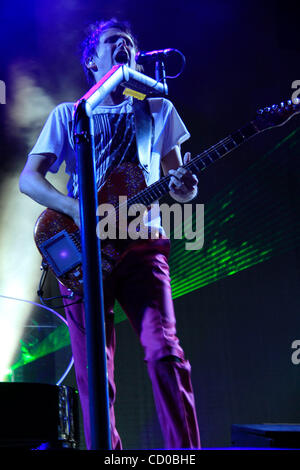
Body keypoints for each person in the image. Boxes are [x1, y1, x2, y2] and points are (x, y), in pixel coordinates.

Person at [19, 18, 200, 450]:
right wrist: (74, 210)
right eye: (114, 42)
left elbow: (182, 184)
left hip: (143, 244)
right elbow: (30, 179)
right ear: (92, 59)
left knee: (164, 352)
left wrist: (186, 186)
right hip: (86, 249)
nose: (124, 47)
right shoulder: (71, 113)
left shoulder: (158, 109)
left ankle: (186, 455)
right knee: (94, 371)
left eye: (130, 44)